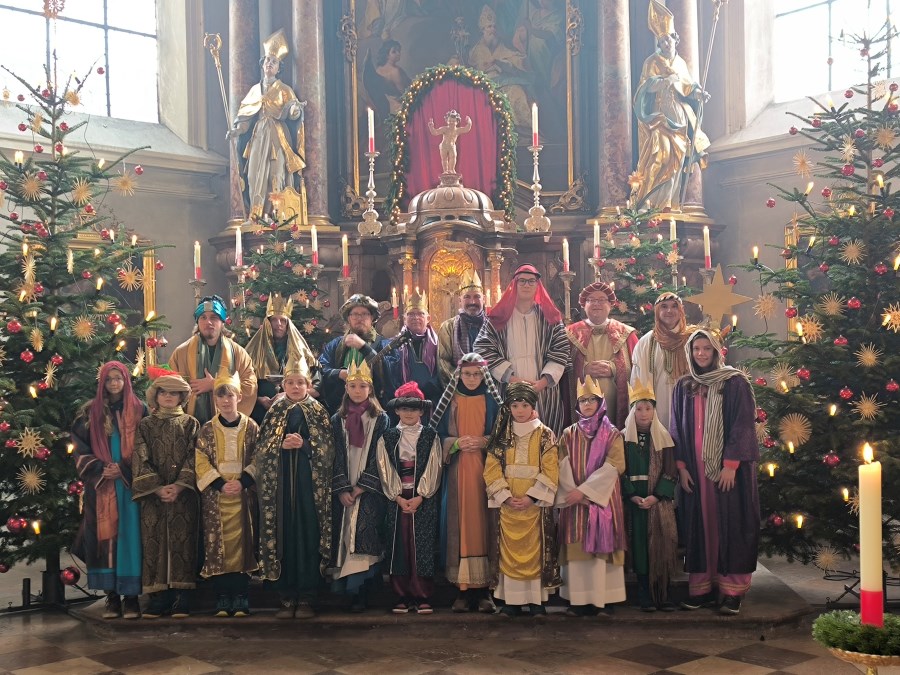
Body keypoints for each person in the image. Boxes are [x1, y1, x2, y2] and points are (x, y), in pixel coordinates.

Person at [670, 329, 759, 615]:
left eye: (707, 348)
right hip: (695, 471)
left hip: (726, 471)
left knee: (730, 524)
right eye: (696, 348)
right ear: (690, 352)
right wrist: (681, 467)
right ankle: (703, 587)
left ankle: (732, 590)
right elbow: (677, 429)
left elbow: (743, 424)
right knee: (701, 526)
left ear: (717, 350)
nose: (701, 354)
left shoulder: (734, 383)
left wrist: (731, 465)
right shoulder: (684, 386)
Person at [255, 356, 334, 619]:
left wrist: (306, 446)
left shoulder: (318, 410)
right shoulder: (274, 411)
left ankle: (308, 596)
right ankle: (286, 595)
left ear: (308, 384)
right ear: (283, 386)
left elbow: (328, 449)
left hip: (308, 488)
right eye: (290, 382)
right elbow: (261, 448)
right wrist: (279, 445)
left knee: (308, 534)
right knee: (284, 533)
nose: (295, 386)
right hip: (280, 489)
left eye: (300, 382)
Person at [71, 362, 148, 620]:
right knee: (106, 540)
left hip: (131, 486)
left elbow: (148, 447)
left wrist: (124, 470)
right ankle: (112, 597)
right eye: (109, 379)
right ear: (102, 382)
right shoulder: (89, 414)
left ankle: (132, 598)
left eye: (119, 379)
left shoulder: (139, 410)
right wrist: (102, 468)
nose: (114, 384)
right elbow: (79, 448)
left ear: (126, 380)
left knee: (130, 538)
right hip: (102, 486)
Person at [431, 352, 503, 613]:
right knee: (459, 526)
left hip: (486, 471)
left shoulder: (492, 402)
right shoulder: (450, 400)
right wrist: (456, 443)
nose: (471, 379)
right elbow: (436, 435)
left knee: (485, 526)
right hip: (458, 471)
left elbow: (503, 433)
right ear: (458, 375)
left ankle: (485, 590)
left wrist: (484, 441)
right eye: (467, 373)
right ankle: (460, 591)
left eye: (476, 374)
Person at [483, 381, 559, 618]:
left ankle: (536, 602)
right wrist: (505, 496)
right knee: (508, 550)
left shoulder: (545, 434)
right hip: (508, 505)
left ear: (532, 406)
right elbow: (491, 468)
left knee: (535, 551)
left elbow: (551, 468)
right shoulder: (501, 435)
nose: (520, 410)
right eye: (514, 405)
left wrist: (532, 498)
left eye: (524, 405)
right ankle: (511, 602)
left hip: (533, 507)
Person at [555, 376, 627, 616]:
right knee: (578, 553)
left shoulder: (613, 434)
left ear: (600, 402)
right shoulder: (567, 434)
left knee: (601, 556)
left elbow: (614, 465)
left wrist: (584, 492)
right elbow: (560, 464)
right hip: (574, 502)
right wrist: (572, 492)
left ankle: (604, 600)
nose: (587, 404)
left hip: (602, 502)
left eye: (591, 400)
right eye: (582, 400)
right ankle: (578, 600)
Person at [131, 371, 200, 618]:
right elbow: (140, 457)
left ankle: (182, 598)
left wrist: (180, 485)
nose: (169, 397)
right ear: (156, 396)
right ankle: (158, 598)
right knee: (154, 543)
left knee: (183, 542)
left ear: (182, 397)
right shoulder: (146, 425)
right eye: (164, 392)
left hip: (183, 496)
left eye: (174, 393)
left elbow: (195, 456)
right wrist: (158, 488)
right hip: (154, 496)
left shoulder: (191, 424)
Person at [631, 0, 710, 211]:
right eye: (662, 40)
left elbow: (687, 86)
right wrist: (662, 81)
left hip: (680, 117)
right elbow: (643, 88)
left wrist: (698, 93)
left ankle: (669, 204)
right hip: (659, 116)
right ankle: (647, 203)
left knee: (676, 163)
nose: (666, 44)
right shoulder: (652, 62)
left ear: (676, 39)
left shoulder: (681, 63)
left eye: (669, 39)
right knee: (658, 155)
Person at [474, 263, 570, 436]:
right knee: (509, 441)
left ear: (537, 286)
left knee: (543, 439)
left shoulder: (551, 317)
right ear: (514, 285)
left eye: (531, 281)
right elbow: (482, 349)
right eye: (522, 281)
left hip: (543, 391)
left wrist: (541, 384)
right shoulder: (498, 318)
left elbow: (561, 350)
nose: (526, 285)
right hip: (508, 388)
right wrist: (513, 380)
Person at [195, 372, 260, 618]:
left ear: (239, 397)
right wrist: (219, 483)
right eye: (220, 396)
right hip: (216, 496)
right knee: (217, 544)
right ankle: (222, 596)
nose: (225, 401)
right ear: (215, 400)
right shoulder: (207, 430)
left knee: (243, 544)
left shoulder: (251, 426)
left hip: (243, 495)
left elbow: (259, 456)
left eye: (229, 396)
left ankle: (241, 595)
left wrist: (243, 481)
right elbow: (200, 459)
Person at [328, 360, 390, 612]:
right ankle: (349, 590)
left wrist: (362, 486)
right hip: (346, 486)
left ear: (370, 389)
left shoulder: (381, 419)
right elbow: (333, 454)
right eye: (352, 386)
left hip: (368, 488)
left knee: (366, 533)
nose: (357, 390)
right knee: (345, 535)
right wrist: (342, 487)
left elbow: (382, 454)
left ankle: (364, 588)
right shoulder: (337, 419)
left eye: (362, 386)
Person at [376, 383, 443, 615]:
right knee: (399, 546)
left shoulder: (431, 435)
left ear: (422, 411)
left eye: (414, 409)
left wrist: (421, 495)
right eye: (404, 408)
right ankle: (401, 595)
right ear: (396, 411)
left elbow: (434, 466)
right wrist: (397, 496)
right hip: (397, 499)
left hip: (422, 498)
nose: (409, 413)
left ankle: (422, 594)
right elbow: (384, 467)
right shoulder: (388, 436)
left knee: (421, 545)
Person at [228, 29, 307, 220]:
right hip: (259, 135)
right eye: (266, 60)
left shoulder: (285, 89)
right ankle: (256, 214)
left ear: (279, 67)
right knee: (254, 173)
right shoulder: (254, 90)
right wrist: (237, 130)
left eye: (273, 61)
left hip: (278, 136)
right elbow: (246, 118)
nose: (269, 64)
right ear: (262, 64)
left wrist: (295, 109)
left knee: (276, 173)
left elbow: (294, 114)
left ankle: (276, 215)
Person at [622, 378, 678, 612]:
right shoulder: (623, 439)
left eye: (648, 408)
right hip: (634, 503)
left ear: (654, 411)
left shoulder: (663, 439)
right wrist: (632, 496)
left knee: (661, 544)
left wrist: (656, 497)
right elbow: (618, 470)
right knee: (640, 548)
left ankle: (661, 592)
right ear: (632, 411)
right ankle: (644, 591)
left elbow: (670, 471)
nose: (644, 414)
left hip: (657, 503)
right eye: (639, 409)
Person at [169, 295, 257, 426]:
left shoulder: (238, 353)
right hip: (189, 426)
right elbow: (170, 386)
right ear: (197, 321)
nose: (208, 322)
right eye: (203, 317)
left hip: (226, 427)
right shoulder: (181, 352)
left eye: (214, 318)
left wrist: (215, 384)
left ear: (222, 322)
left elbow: (250, 386)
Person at [566, 281, 638, 429]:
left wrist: (615, 368)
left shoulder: (626, 334)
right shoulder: (570, 334)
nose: (596, 304)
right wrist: (583, 370)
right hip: (583, 404)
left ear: (610, 304)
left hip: (614, 403)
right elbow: (561, 371)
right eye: (591, 300)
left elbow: (639, 370)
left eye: (601, 300)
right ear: (583, 305)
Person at [244, 294, 319, 424]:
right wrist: (259, 399)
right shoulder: (252, 350)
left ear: (288, 324)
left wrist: (289, 395)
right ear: (267, 323)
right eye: (274, 320)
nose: (278, 324)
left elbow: (318, 386)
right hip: (261, 411)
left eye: (283, 320)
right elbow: (242, 385)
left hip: (295, 410)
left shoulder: (301, 350)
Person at [318, 293, 395, 413]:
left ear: (372, 318)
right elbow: (321, 367)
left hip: (374, 411)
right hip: (340, 410)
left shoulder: (384, 344)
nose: (360, 318)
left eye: (365, 314)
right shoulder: (335, 345)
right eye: (355, 314)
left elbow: (391, 373)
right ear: (348, 318)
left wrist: (364, 347)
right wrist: (339, 373)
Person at [630, 292, 692, 430]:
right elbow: (637, 380)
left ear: (681, 310)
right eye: (664, 306)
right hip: (657, 408)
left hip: (687, 404)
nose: (669, 310)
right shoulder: (646, 342)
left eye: (674, 306)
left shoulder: (692, 339)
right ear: (657, 312)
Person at [469, 5, 532, 129]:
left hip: (505, 82)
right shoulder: (476, 50)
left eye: (494, 26)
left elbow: (515, 57)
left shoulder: (502, 45)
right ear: (482, 30)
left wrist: (509, 62)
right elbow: (474, 70)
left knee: (517, 92)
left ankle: (523, 131)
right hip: (484, 87)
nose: (492, 30)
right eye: (488, 27)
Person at [388, 288, 442, 412]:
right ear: (404, 318)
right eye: (411, 314)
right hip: (403, 400)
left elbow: (443, 369)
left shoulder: (439, 343)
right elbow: (390, 372)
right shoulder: (393, 344)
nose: (415, 317)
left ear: (428, 318)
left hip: (431, 399)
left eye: (420, 314)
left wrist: (429, 389)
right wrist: (404, 392)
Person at [437, 269, 487, 387]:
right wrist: (465, 382)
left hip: (488, 388)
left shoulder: (492, 326)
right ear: (460, 300)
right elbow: (443, 362)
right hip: (459, 388)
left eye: (477, 297)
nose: (472, 301)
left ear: (484, 299)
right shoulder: (447, 327)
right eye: (467, 297)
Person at [428, 110, 473, 175]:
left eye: (453, 121)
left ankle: (451, 169)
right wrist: (431, 127)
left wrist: (469, 122)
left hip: (452, 146)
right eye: (450, 121)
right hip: (444, 146)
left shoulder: (458, 130)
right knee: (444, 159)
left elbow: (466, 129)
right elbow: (435, 132)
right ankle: (445, 171)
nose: (451, 122)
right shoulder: (444, 129)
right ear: (447, 121)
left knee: (453, 156)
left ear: (457, 122)